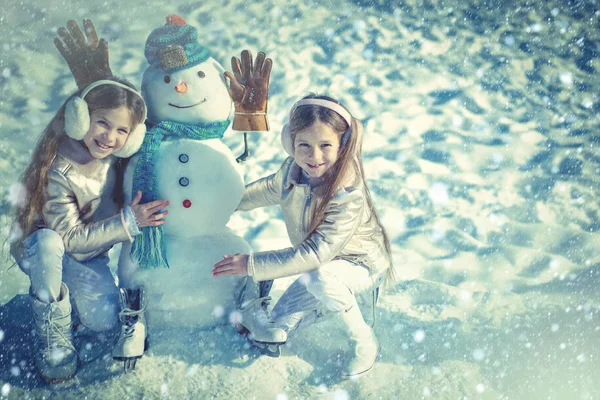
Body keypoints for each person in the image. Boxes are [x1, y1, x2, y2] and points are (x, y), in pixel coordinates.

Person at [212, 94, 395, 378]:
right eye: (304, 146)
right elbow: (262, 192)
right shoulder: (291, 172)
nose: (315, 156)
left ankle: (365, 342)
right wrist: (222, 203)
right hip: (318, 268)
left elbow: (315, 254)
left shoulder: (348, 193)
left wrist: (251, 265)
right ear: (290, 143)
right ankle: (327, 307)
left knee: (321, 278)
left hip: (359, 264)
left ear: (342, 145)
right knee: (277, 329)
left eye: (325, 145)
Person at [9, 77, 170, 382]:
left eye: (123, 130)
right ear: (81, 119)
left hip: (91, 257)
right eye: (102, 123)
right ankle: (53, 333)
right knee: (48, 241)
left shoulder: (118, 160)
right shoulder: (60, 168)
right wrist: (129, 222)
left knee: (105, 320)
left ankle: (75, 310)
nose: (110, 136)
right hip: (53, 254)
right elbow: (69, 239)